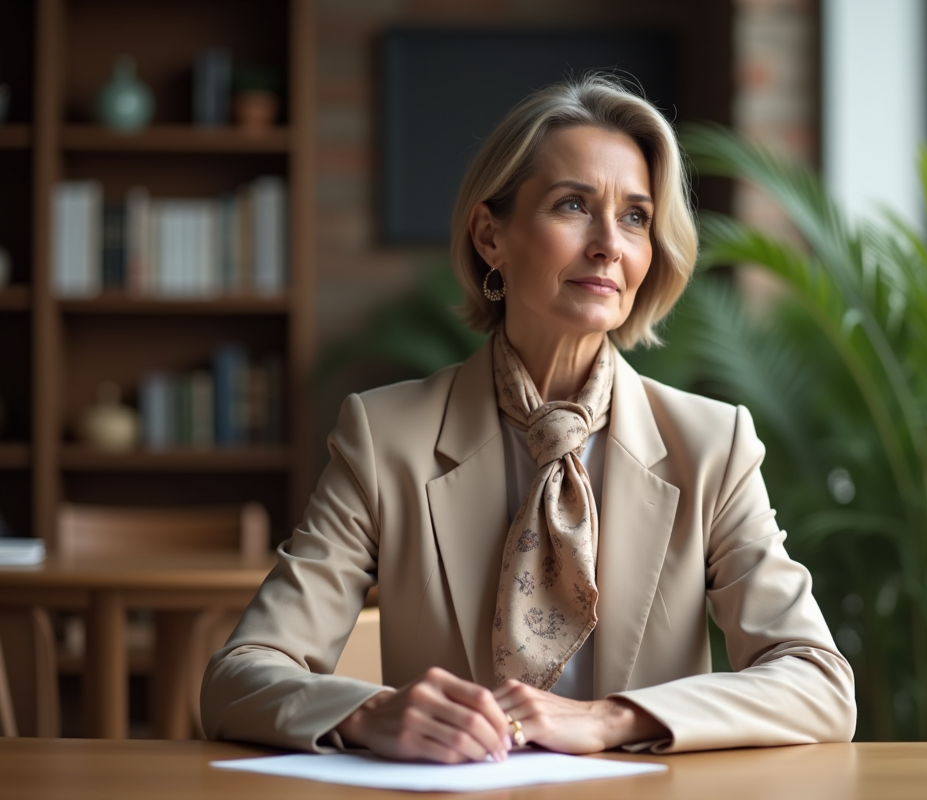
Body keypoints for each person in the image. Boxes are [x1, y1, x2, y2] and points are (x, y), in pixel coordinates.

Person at [200, 74, 855, 762]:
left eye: (634, 216)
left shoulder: (712, 447)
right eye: (573, 205)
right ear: (491, 237)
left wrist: (610, 720)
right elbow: (239, 676)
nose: (609, 244)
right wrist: (371, 714)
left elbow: (818, 683)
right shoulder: (385, 437)